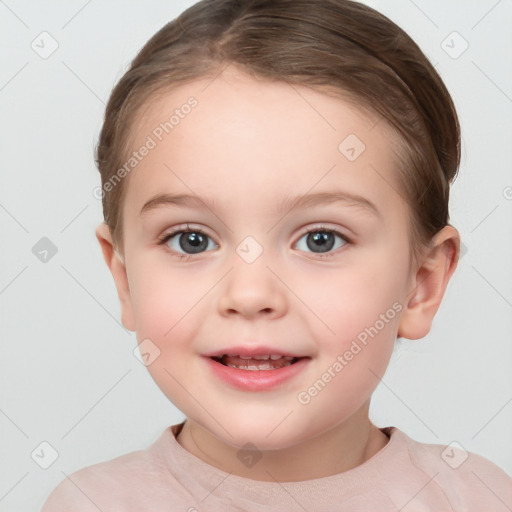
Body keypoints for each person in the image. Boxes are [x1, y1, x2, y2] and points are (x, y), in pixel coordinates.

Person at [41, 0, 512, 510]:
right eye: (191, 239)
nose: (249, 294)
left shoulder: (478, 498)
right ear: (125, 277)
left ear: (421, 283)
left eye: (321, 240)